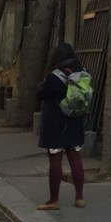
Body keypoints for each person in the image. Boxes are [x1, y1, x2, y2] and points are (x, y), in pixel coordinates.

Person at [36, 42, 86, 210]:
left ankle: (54, 200)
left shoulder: (54, 76)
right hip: (75, 119)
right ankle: (79, 197)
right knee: (75, 157)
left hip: (56, 121)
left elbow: (42, 94)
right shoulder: (81, 72)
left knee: (56, 159)